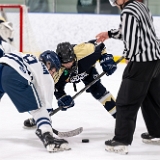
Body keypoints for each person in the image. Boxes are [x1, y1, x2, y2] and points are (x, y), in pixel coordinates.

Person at [96, 0, 160, 154]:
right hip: (156, 60)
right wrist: (110, 34)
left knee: (126, 101)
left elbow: (131, 39)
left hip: (141, 61)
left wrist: (128, 55)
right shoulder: (140, 6)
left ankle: (121, 141)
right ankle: (157, 132)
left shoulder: (128, 11)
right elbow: (131, 30)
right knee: (150, 98)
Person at [23, 40, 118, 128]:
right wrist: (61, 97)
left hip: (87, 71)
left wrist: (106, 58)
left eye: (70, 61)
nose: (68, 65)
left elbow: (100, 46)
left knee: (99, 91)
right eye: (65, 63)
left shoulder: (84, 52)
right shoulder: (57, 70)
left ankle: (120, 116)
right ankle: (40, 117)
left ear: (73, 55)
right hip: (68, 77)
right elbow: (55, 88)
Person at [0, 43, 70, 152]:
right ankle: (47, 136)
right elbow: (45, 106)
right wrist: (46, 121)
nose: (52, 74)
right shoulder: (45, 75)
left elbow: (4, 47)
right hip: (14, 74)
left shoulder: (26, 57)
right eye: (53, 70)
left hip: (1, 66)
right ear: (48, 63)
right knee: (39, 109)